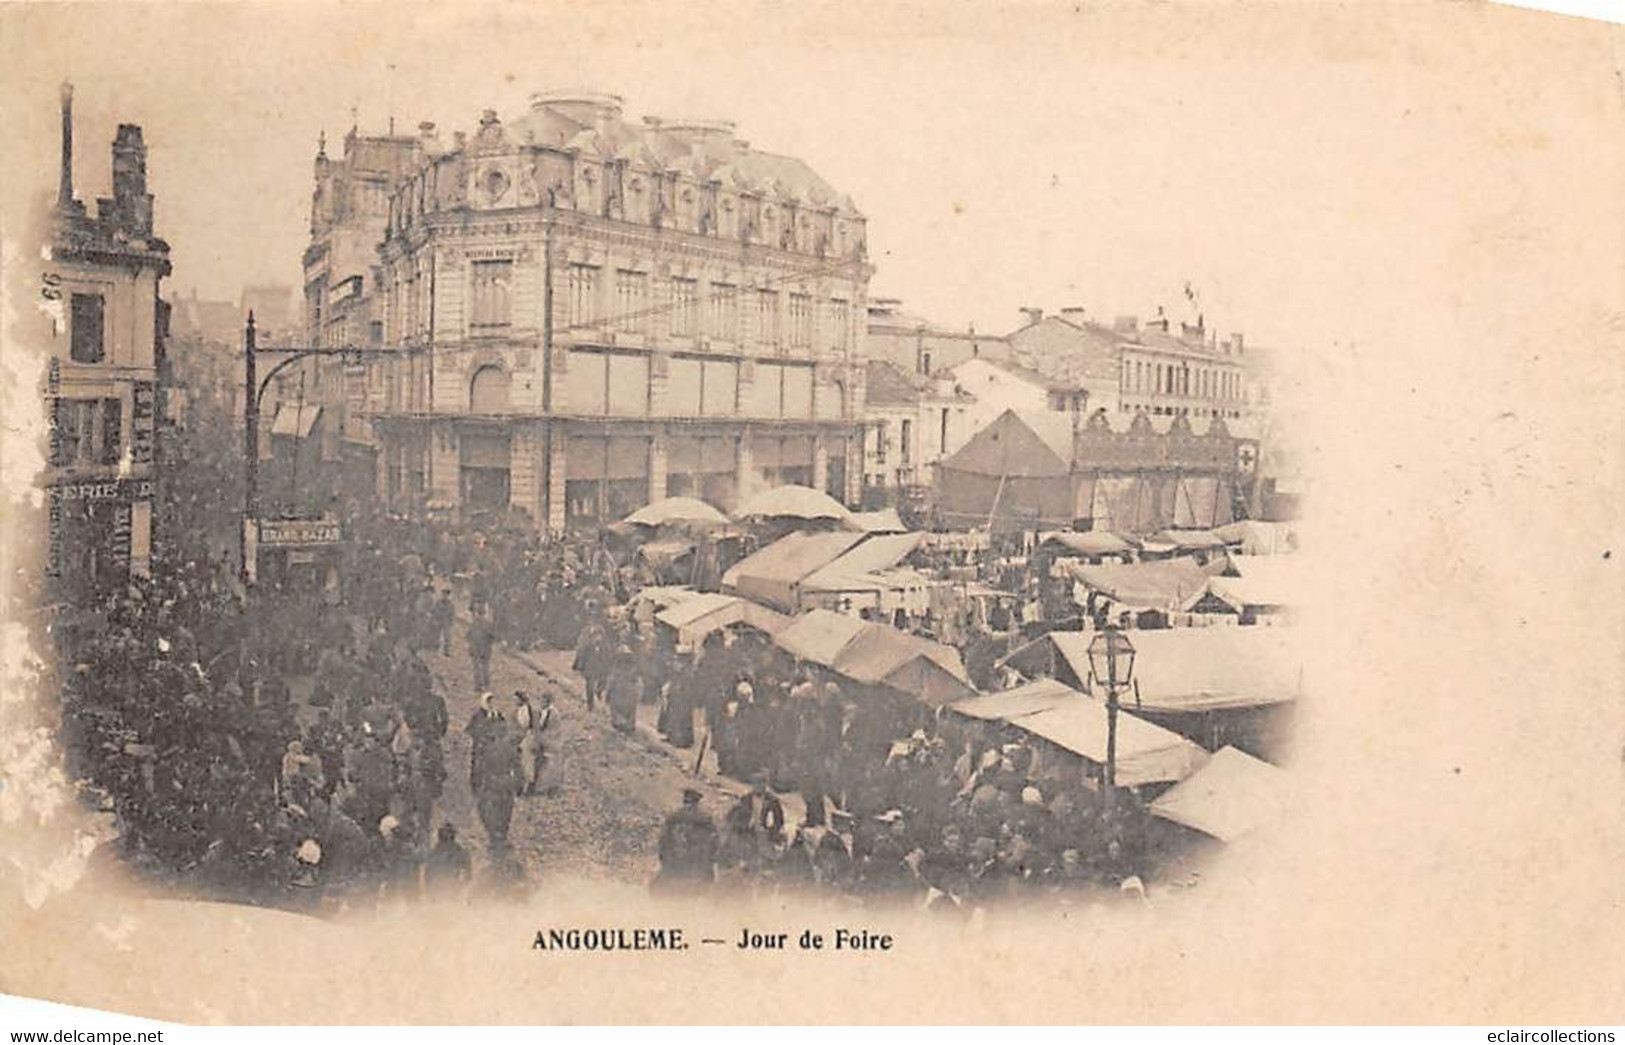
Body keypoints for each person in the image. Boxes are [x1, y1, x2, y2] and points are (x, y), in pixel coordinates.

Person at [653, 788, 718, 895]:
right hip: (697, 868)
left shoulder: (673, 818)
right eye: (688, 802)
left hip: (677, 867)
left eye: (688, 802)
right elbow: (714, 843)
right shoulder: (705, 819)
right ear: (697, 802)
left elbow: (663, 842)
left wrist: (665, 861)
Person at [475, 723, 523, 852]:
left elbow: (479, 768)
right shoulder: (510, 749)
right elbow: (518, 768)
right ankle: (502, 837)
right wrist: (519, 784)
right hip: (506, 782)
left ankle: (493, 838)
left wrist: (478, 783)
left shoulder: (488, 749)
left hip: (492, 782)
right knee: (506, 811)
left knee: (490, 810)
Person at [425, 823, 472, 893]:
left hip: (452, 882)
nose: (447, 835)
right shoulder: (436, 849)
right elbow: (429, 868)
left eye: (450, 832)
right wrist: (428, 884)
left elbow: (467, 866)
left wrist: (464, 882)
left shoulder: (458, 849)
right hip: (437, 884)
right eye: (445, 832)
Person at [466, 607, 496, 692]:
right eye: (480, 614)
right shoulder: (475, 624)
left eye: (482, 614)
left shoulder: (477, 624)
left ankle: (484, 684)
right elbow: (468, 636)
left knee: (483, 667)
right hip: (478, 649)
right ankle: (479, 685)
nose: (480, 616)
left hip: (484, 649)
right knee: (478, 667)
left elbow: (493, 637)